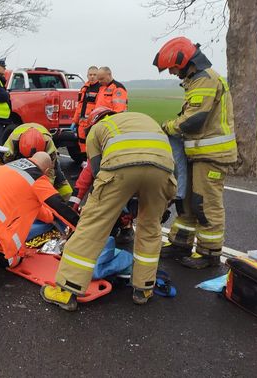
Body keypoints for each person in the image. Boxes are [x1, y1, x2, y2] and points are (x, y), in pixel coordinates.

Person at [42, 109, 176, 311]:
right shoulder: (143, 119)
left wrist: (110, 205)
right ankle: (144, 288)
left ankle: (67, 290)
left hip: (120, 169)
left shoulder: (97, 129)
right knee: (150, 228)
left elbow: (97, 173)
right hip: (162, 171)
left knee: (92, 228)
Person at [154, 37, 237, 269]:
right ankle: (181, 242)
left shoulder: (205, 79)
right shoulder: (195, 80)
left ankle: (209, 252)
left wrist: (167, 126)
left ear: (184, 61)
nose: (171, 72)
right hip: (197, 153)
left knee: (205, 203)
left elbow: (194, 120)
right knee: (187, 201)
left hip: (212, 155)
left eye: (172, 67)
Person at [0, 152, 80, 290]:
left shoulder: (9, 166)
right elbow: (58, 206)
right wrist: (80, 226)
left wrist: (50, 217)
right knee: (15, 258)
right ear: (46, 170)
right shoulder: (37, 178)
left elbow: (33, 206)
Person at [2, 123, 73, 199]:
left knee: (58, 176)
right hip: (18, 154)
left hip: (44, 154)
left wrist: (45, 194)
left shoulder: (49, 144)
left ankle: (67, 200)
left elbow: (50, 174)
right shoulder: (11, 145)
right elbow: (4, 166)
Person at [71, 66, 100, 154]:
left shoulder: (101, 89)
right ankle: (85, 162)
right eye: (90, 74)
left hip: (93, 123)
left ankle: (91, 164)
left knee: (93, 145)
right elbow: (79, 106)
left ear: (98, 75)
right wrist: (74, 121)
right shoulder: (84, 88)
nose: (92, 76)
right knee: (82, 143)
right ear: (87, 76)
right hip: (82, 123)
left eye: (94, 75)